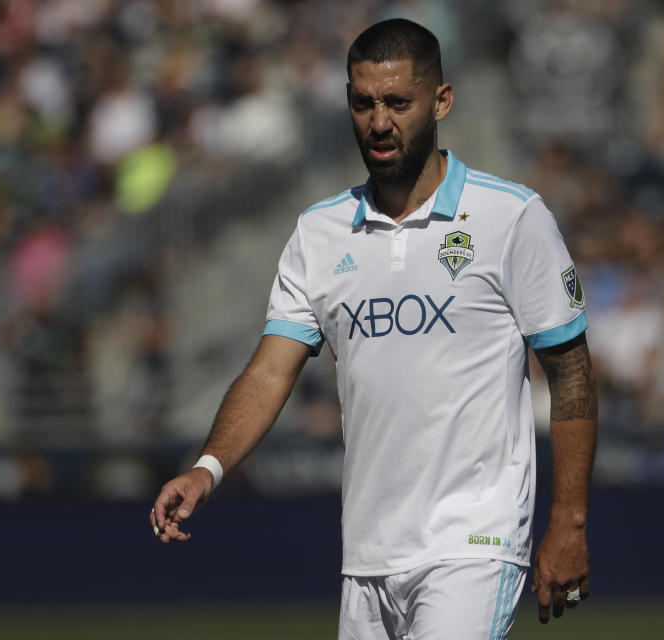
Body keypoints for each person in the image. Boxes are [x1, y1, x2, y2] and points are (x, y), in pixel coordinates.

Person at [150, 18, 597, 639]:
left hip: (474, 542)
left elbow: (571, 371)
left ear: (441, 101)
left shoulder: (511, 218)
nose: (379, 121)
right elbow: (270, 369)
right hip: (367, 557)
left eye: (397, 102)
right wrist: (208, 467)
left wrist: (569, 522)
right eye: (363, 103)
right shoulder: (319, 232)